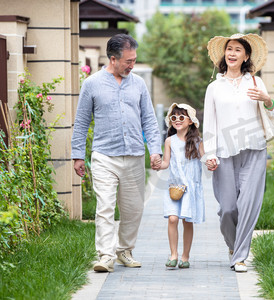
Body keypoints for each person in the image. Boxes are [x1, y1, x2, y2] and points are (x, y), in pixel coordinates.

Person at [71, 34, 162, 272]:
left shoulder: (139, 84)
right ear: (113, 58)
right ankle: (105, 256)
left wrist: (155, 151)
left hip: (134, 156)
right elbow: (81, 122)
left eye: (134, 60)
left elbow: (150, 121)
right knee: (105, 207)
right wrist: (78, 155)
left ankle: (124, 250)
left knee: (133, 209)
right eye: (128, 61)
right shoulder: (92, 83)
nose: (132, 65)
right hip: (104, 157)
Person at [203, 33, 274, 272]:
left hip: (255, 149)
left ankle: (239, 257)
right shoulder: (214, 87)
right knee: (228, 209)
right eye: (229, 49)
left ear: (246, 55)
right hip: (224, 153)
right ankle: (233, 244)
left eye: (238, 49)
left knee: (248, 204)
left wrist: (267, 100)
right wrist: (210, 153)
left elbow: (273, 112)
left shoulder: (256, 83)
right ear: (223, 55)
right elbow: (210, 122)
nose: (232, 53)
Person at [157, 103, 206, 269]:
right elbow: (165, 162)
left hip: (191, 188)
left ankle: (185, 256)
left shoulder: (197, 141)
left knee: (186, 221)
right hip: (175, 187)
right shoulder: (169, 141)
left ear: (190, 121)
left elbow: (204, 159)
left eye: (181, 117)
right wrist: (158, 164)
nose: (177, 120)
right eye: (173, 117)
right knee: (172, 218)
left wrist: (212, 162)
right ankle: (173, 254)